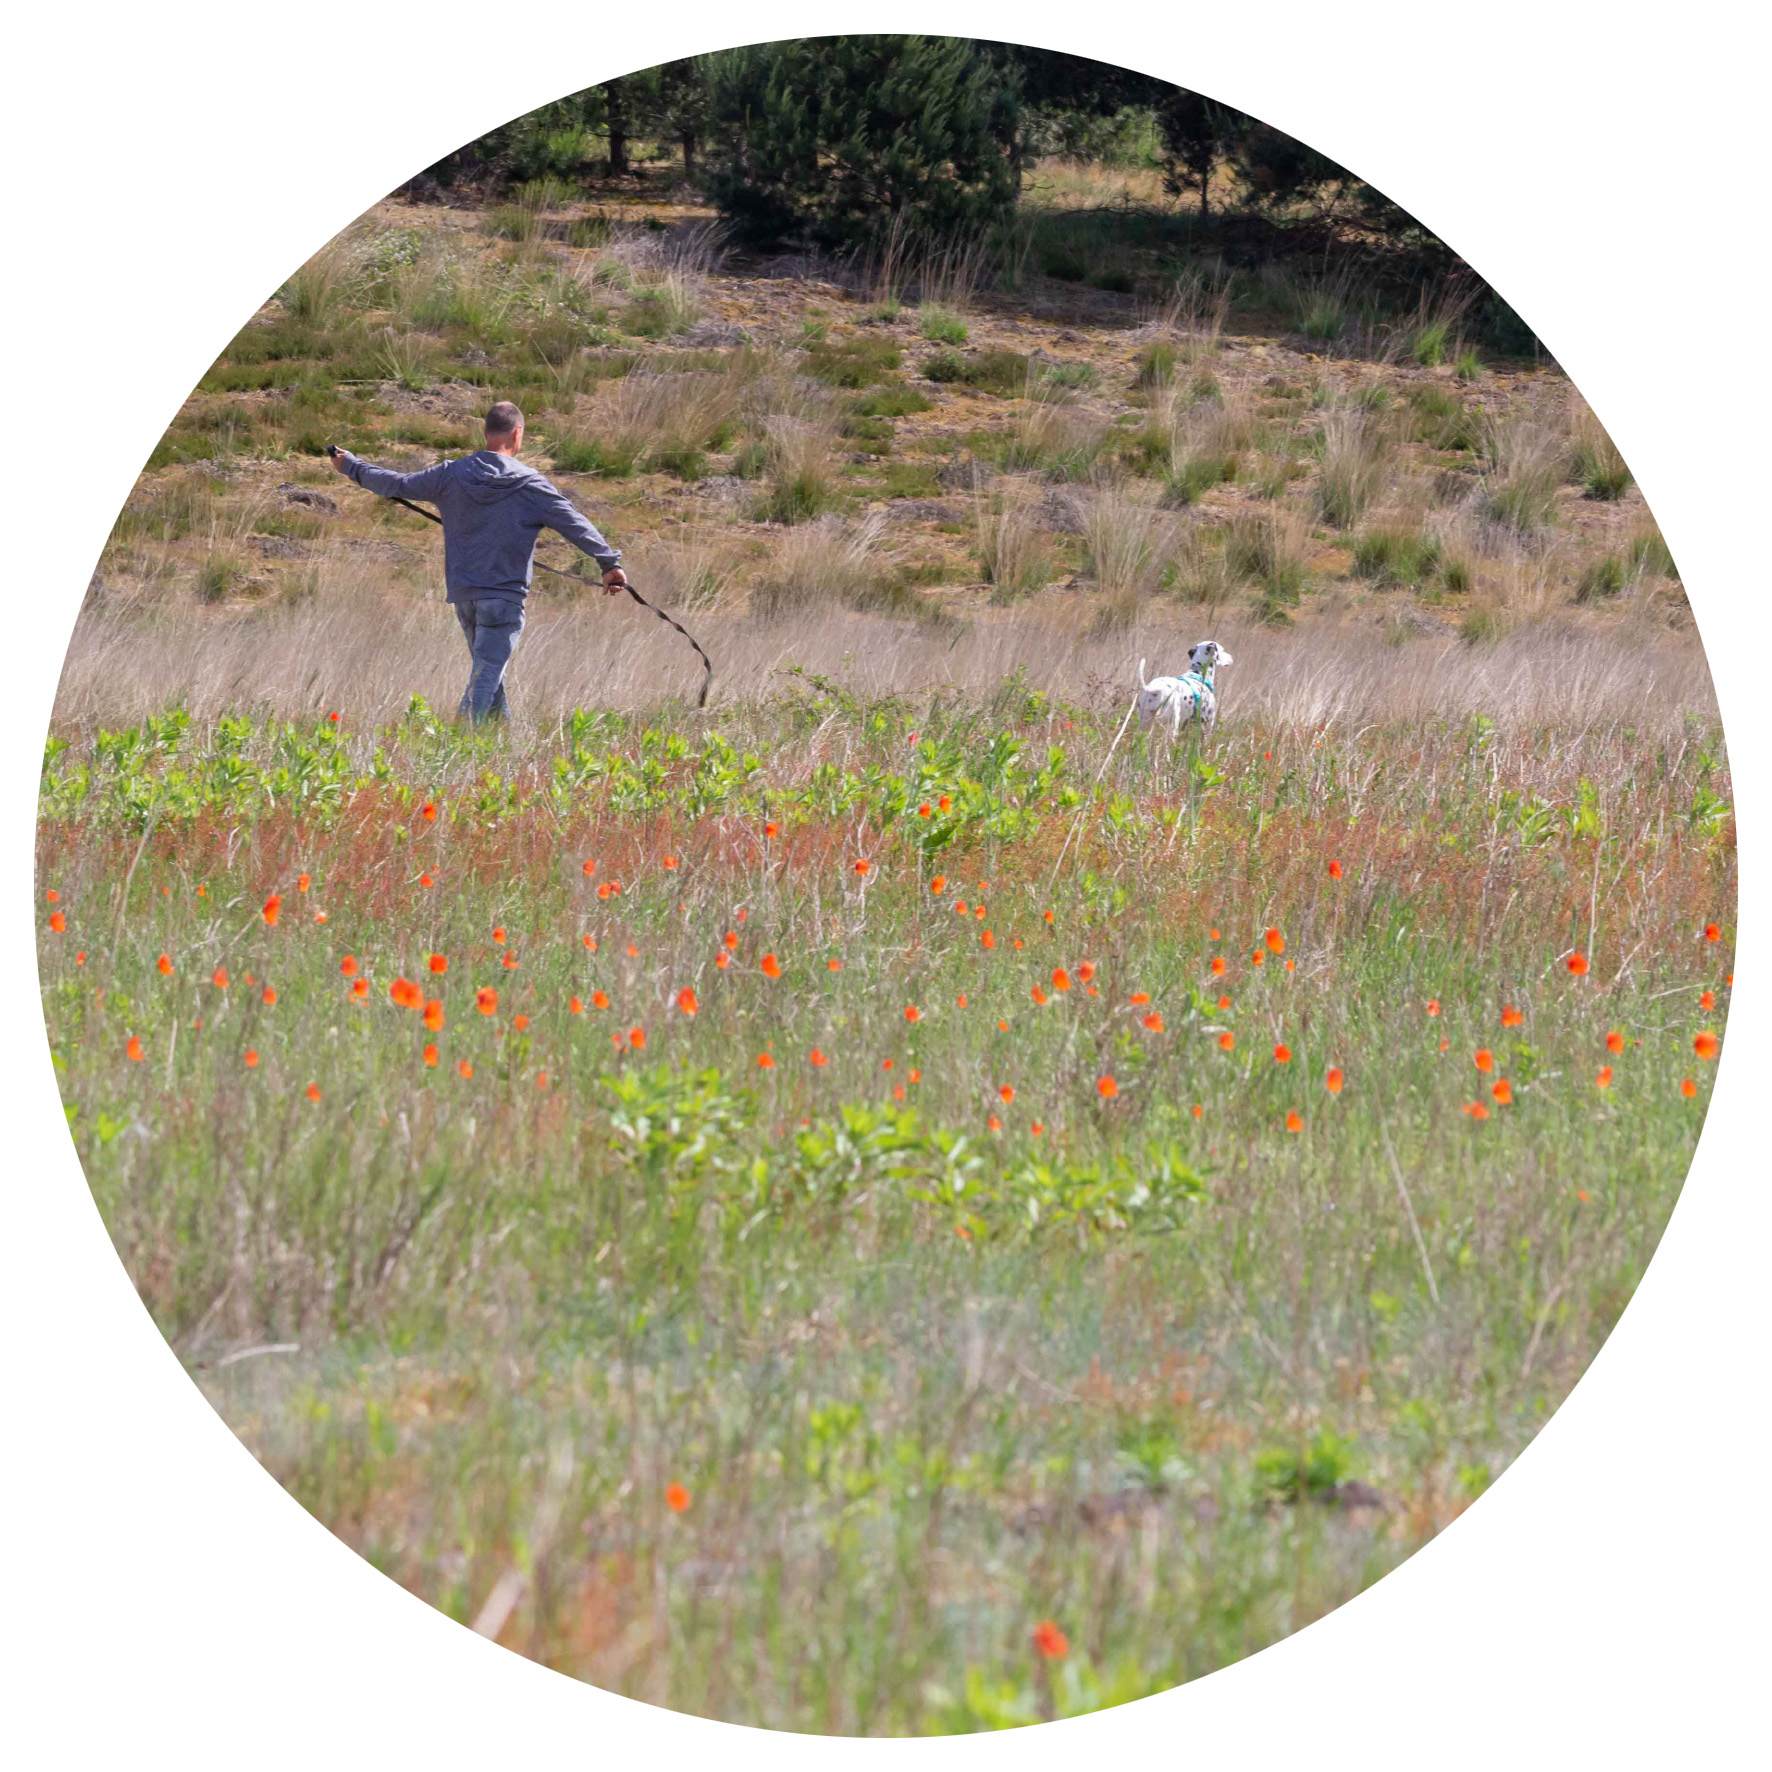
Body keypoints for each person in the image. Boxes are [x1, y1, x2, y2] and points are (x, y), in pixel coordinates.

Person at [330, 401, 627, 721]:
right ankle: (457, 743)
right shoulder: (530, 484)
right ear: (518, 433)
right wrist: (609, 564)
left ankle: (503, 747)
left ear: (485, 433)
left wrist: (351, 465)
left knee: (488, 673)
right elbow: (575, 524)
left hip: (465, 595)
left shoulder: (450, 474)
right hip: (503, 596)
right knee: (485, 677)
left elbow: (396, 484)